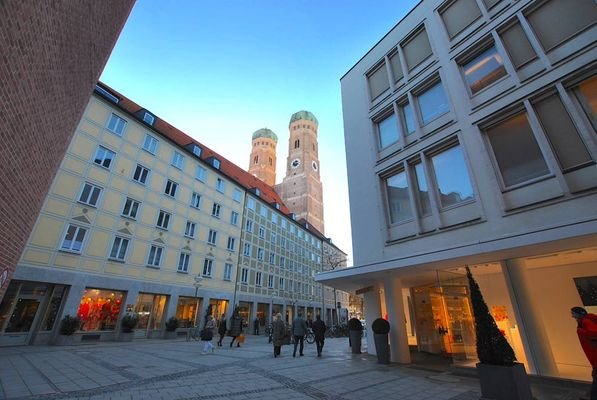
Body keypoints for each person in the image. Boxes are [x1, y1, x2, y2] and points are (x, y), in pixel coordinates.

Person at [571, 306, 597, 400]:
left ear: (579, 314)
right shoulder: (584, 322)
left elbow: (594, 333)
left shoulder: (586, 322)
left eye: (573, 314)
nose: (572, 316)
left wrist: (581, 332)